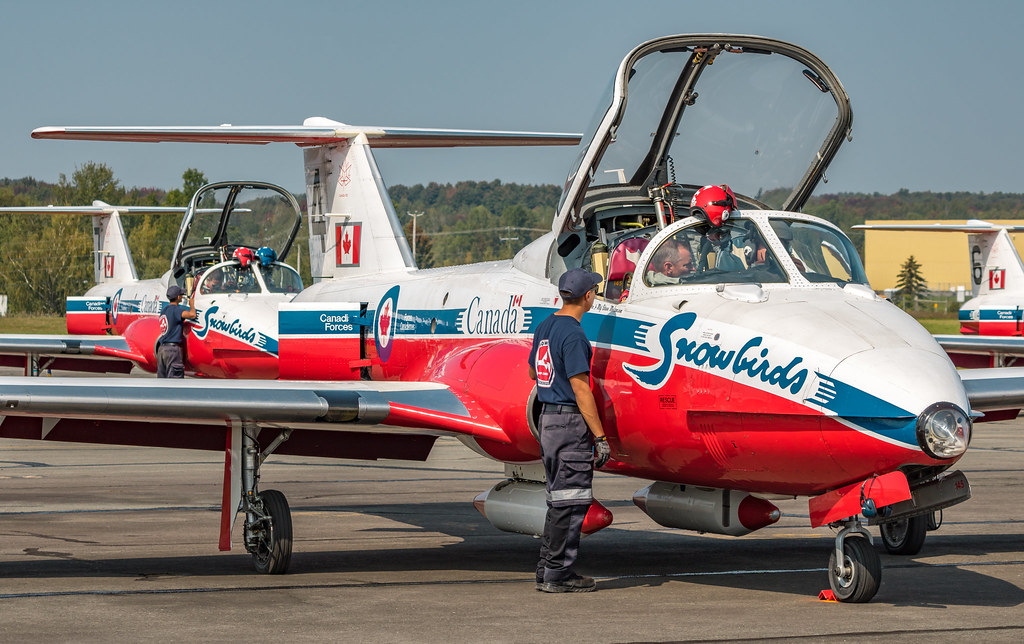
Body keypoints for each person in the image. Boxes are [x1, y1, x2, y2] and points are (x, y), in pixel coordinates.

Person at [528, 268, 612, 593]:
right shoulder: (574, 335)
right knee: (572, 502)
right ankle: (558, 575)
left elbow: (534, 370)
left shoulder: (545, 326)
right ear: (588, 296)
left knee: (558, 500)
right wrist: (600, 437)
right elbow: (582, 389)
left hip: (547, 419)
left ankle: (546, 570)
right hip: (569, 422)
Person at [157, 285, 197, 378]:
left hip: (162, 349)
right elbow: (192, 315)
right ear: (178, 297)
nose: (182, 296)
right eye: (181, 295)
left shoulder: (164, 310)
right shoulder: (176, 310)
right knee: (175, 380)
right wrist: (191, 304)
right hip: (173, 350)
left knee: (161, 380)